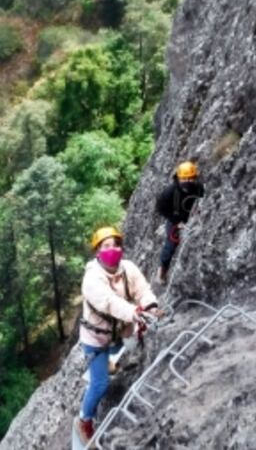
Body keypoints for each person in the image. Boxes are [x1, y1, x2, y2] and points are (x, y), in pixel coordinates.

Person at [74, 226, 162, 447]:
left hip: (118, 332)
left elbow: (142, 290)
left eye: (115, 245)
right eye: (106, 246)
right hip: (96, 339)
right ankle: (84, 420)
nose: (112, 249)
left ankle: (110, 361)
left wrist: (150, 306)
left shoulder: (127, 269)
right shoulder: (92, 279)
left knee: (123, 346)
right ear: (97, 251)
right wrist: (135, 313)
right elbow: (110, 303)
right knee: (100, 383)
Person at [154, 161, 205, 285]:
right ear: (179, 178)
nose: (187, 181)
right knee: (171, 245)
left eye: (190, 178)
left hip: (191, 217)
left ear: (195, 177)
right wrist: (176, 222)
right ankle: (161, 272)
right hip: (174, 219)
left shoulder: (198, 187)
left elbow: (202, 200)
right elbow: (160, 208)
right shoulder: (170, 191)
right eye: (184, 178)